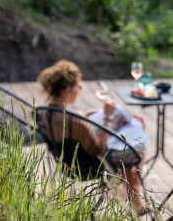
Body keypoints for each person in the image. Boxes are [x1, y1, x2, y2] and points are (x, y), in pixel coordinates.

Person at [36, 60, 148, 213]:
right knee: (135, 150)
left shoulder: (42, 113)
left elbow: (74, 119)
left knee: (126, 142)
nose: (79, 90)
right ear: (68, 90)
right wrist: (107, 117)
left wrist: (89, 114)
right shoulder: (75, 122)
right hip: (89, 168)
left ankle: (127, 199)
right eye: (78, 86)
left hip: (66, 165)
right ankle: (135, 203)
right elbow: (100, 148)